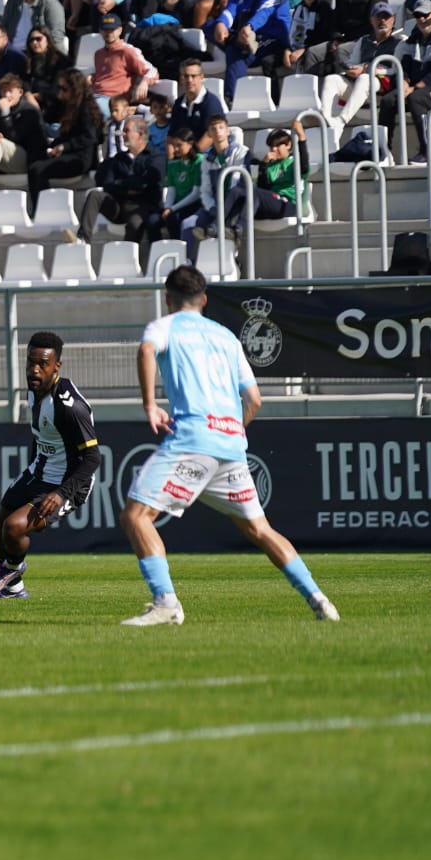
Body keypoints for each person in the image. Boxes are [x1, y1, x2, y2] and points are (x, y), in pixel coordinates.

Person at [121, 266, 340, 627]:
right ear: (204, 299)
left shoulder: (165, 326)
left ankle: (166, 603)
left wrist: (149, 404)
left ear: (168, 298)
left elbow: (146, 350)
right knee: (261, 530)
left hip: (192, 441)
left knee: (136, 516)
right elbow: (254, 400)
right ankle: (319, 599)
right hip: (231, 446)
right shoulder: (226, 337)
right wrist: (230, 430)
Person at [0, 331, 100, 600]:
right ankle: (14, 589)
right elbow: (41, 435)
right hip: (39, 471)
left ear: (57, 366)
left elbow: (93, 458)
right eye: (31, 362)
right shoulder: (34, 390)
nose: (34, 369)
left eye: (43, 364)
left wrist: (61, 493)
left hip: (68, 483)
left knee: (13, 527)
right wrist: (33, 467)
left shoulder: (69, 407)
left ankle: (12, 569)